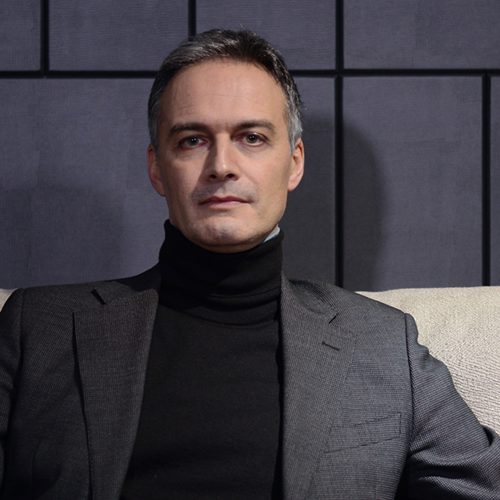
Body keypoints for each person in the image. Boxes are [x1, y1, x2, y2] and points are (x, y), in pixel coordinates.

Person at [0, 29, 499, 500]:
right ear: (157, 168)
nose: (221, 165)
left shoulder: (384, 346)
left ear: (294, 163)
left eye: (252, 138)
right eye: (192, 140)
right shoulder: (39, 328)